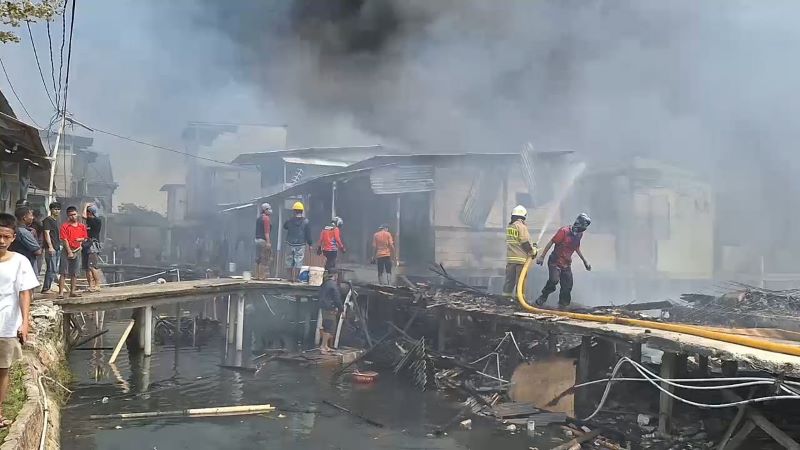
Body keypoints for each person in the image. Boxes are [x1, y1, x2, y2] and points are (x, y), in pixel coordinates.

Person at [0, 213, 38, 428]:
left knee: (2, 369)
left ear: (13, 237)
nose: (1, 241)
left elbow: (25, 293)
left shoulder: (19, 261)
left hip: (6, 324)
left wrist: (25, 323)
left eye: (6, 237)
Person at [535, 213, 592, 308]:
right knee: (554, 280)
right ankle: (543, 297)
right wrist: (542, 256)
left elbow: (576, 247)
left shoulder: (579, 235)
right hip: (555, 262)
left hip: (566, 264)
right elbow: (551, 243)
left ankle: (563, 305)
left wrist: (584, 261)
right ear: (579, 223)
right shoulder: (563, 231)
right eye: (584, 225)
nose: (584, 228)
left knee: (568, 285)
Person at [503, 205, 537, 299]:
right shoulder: (521, 226)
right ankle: (520, 300)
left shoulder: (510, 227)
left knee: (509, 280)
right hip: (520, 259)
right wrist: (532, 252)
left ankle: (505, 299)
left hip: (510, 259)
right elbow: (524, 242)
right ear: (523, 216)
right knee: (520, 281)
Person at [58, 206, 88, 298]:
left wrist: (81, 239)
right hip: (67, 250)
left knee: (75, 272)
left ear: (77, 214)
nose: (73, 217)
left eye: (74, 214)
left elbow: (85, 238)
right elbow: (64, 239)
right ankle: (61, 293)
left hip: (78, 250)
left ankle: (72, 291)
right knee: (63, 272)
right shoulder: (65, 226)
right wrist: (69, 251)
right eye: (71, 215)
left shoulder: (82, 226)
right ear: (68, 216)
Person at [283, 201, 312, 282]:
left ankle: (289, 278)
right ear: (302, 211)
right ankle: (295, 279)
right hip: (301, 243)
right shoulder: (306, 221)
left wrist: (289, 219)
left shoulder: (289, 220)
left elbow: (284, 226)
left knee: (289, 260)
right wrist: (310, 244)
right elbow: (308, 233)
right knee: (298, 261)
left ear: (294, 211)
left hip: (289, 243)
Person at [9, 207, 41, 275]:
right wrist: (35, 237)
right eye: (31, 215)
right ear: (24, 217)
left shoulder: (15, 229)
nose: (32, 218)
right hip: (26, 268)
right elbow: (38, 251)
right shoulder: (24, 232)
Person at [317, 272, 344, 354]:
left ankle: (325, 346)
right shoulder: (333, 285)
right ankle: (323, 346)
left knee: (326, 325)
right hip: (329, 308)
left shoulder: (325, 283)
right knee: (329, 327)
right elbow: (337, 298)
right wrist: (341, 309)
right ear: (335, 276)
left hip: (323, 307)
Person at [41, 202, 61, 294]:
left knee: (54, 268)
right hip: (51, 247)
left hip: (57, 247)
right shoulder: (47, 220)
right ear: (51, 210)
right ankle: (46, 288)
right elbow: (46, 233)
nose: (57, 211)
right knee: (51, 268)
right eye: (55, 209)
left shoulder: (56, 220)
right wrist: (50, 246)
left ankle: (48, 286)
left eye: (58, 209)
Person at [82, 205, 103, 292]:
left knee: (93, 266)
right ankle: (90, 285)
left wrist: (86, 205)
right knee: (86, 267)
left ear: (90, 212)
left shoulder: (96, 220)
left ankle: (97, 284)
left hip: (93, 245)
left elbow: (83, 216)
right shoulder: (88, 221)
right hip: (86, 244)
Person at [254, 203, 273, 280]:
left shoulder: (259, 218)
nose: (270, 210)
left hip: (257, 240)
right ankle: (262, 276)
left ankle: (257, 275)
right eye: (269, 209)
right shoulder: (266, 218)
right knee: (264, 258)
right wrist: (268, 242)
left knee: (258, 258)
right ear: (265, 210)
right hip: (263, 240)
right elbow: (266, 232)